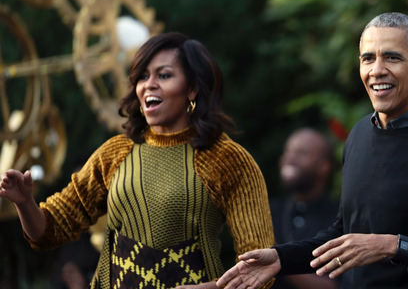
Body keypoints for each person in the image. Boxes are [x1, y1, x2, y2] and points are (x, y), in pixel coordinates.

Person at [216, 12, 408, 289]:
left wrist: (393, 246)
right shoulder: (360, 134)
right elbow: (346, 232)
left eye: (392, 57)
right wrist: (281, 259)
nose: (377, 70)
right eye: (368, 58)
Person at [0, 32, 275, 289]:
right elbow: (50, 230)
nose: (149, 84)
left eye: (164, 75)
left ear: (192, 89)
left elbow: (259, 267)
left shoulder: (227, 159)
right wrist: (25, 203)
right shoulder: (115, 153)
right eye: (142, 76)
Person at [270, 128, 340, 289]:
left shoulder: (338, 220)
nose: (289, 159)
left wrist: (277, 258)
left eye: (301, 154)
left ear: (324, 167)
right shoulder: (268, 212)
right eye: (287, 151)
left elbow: (333, 286)